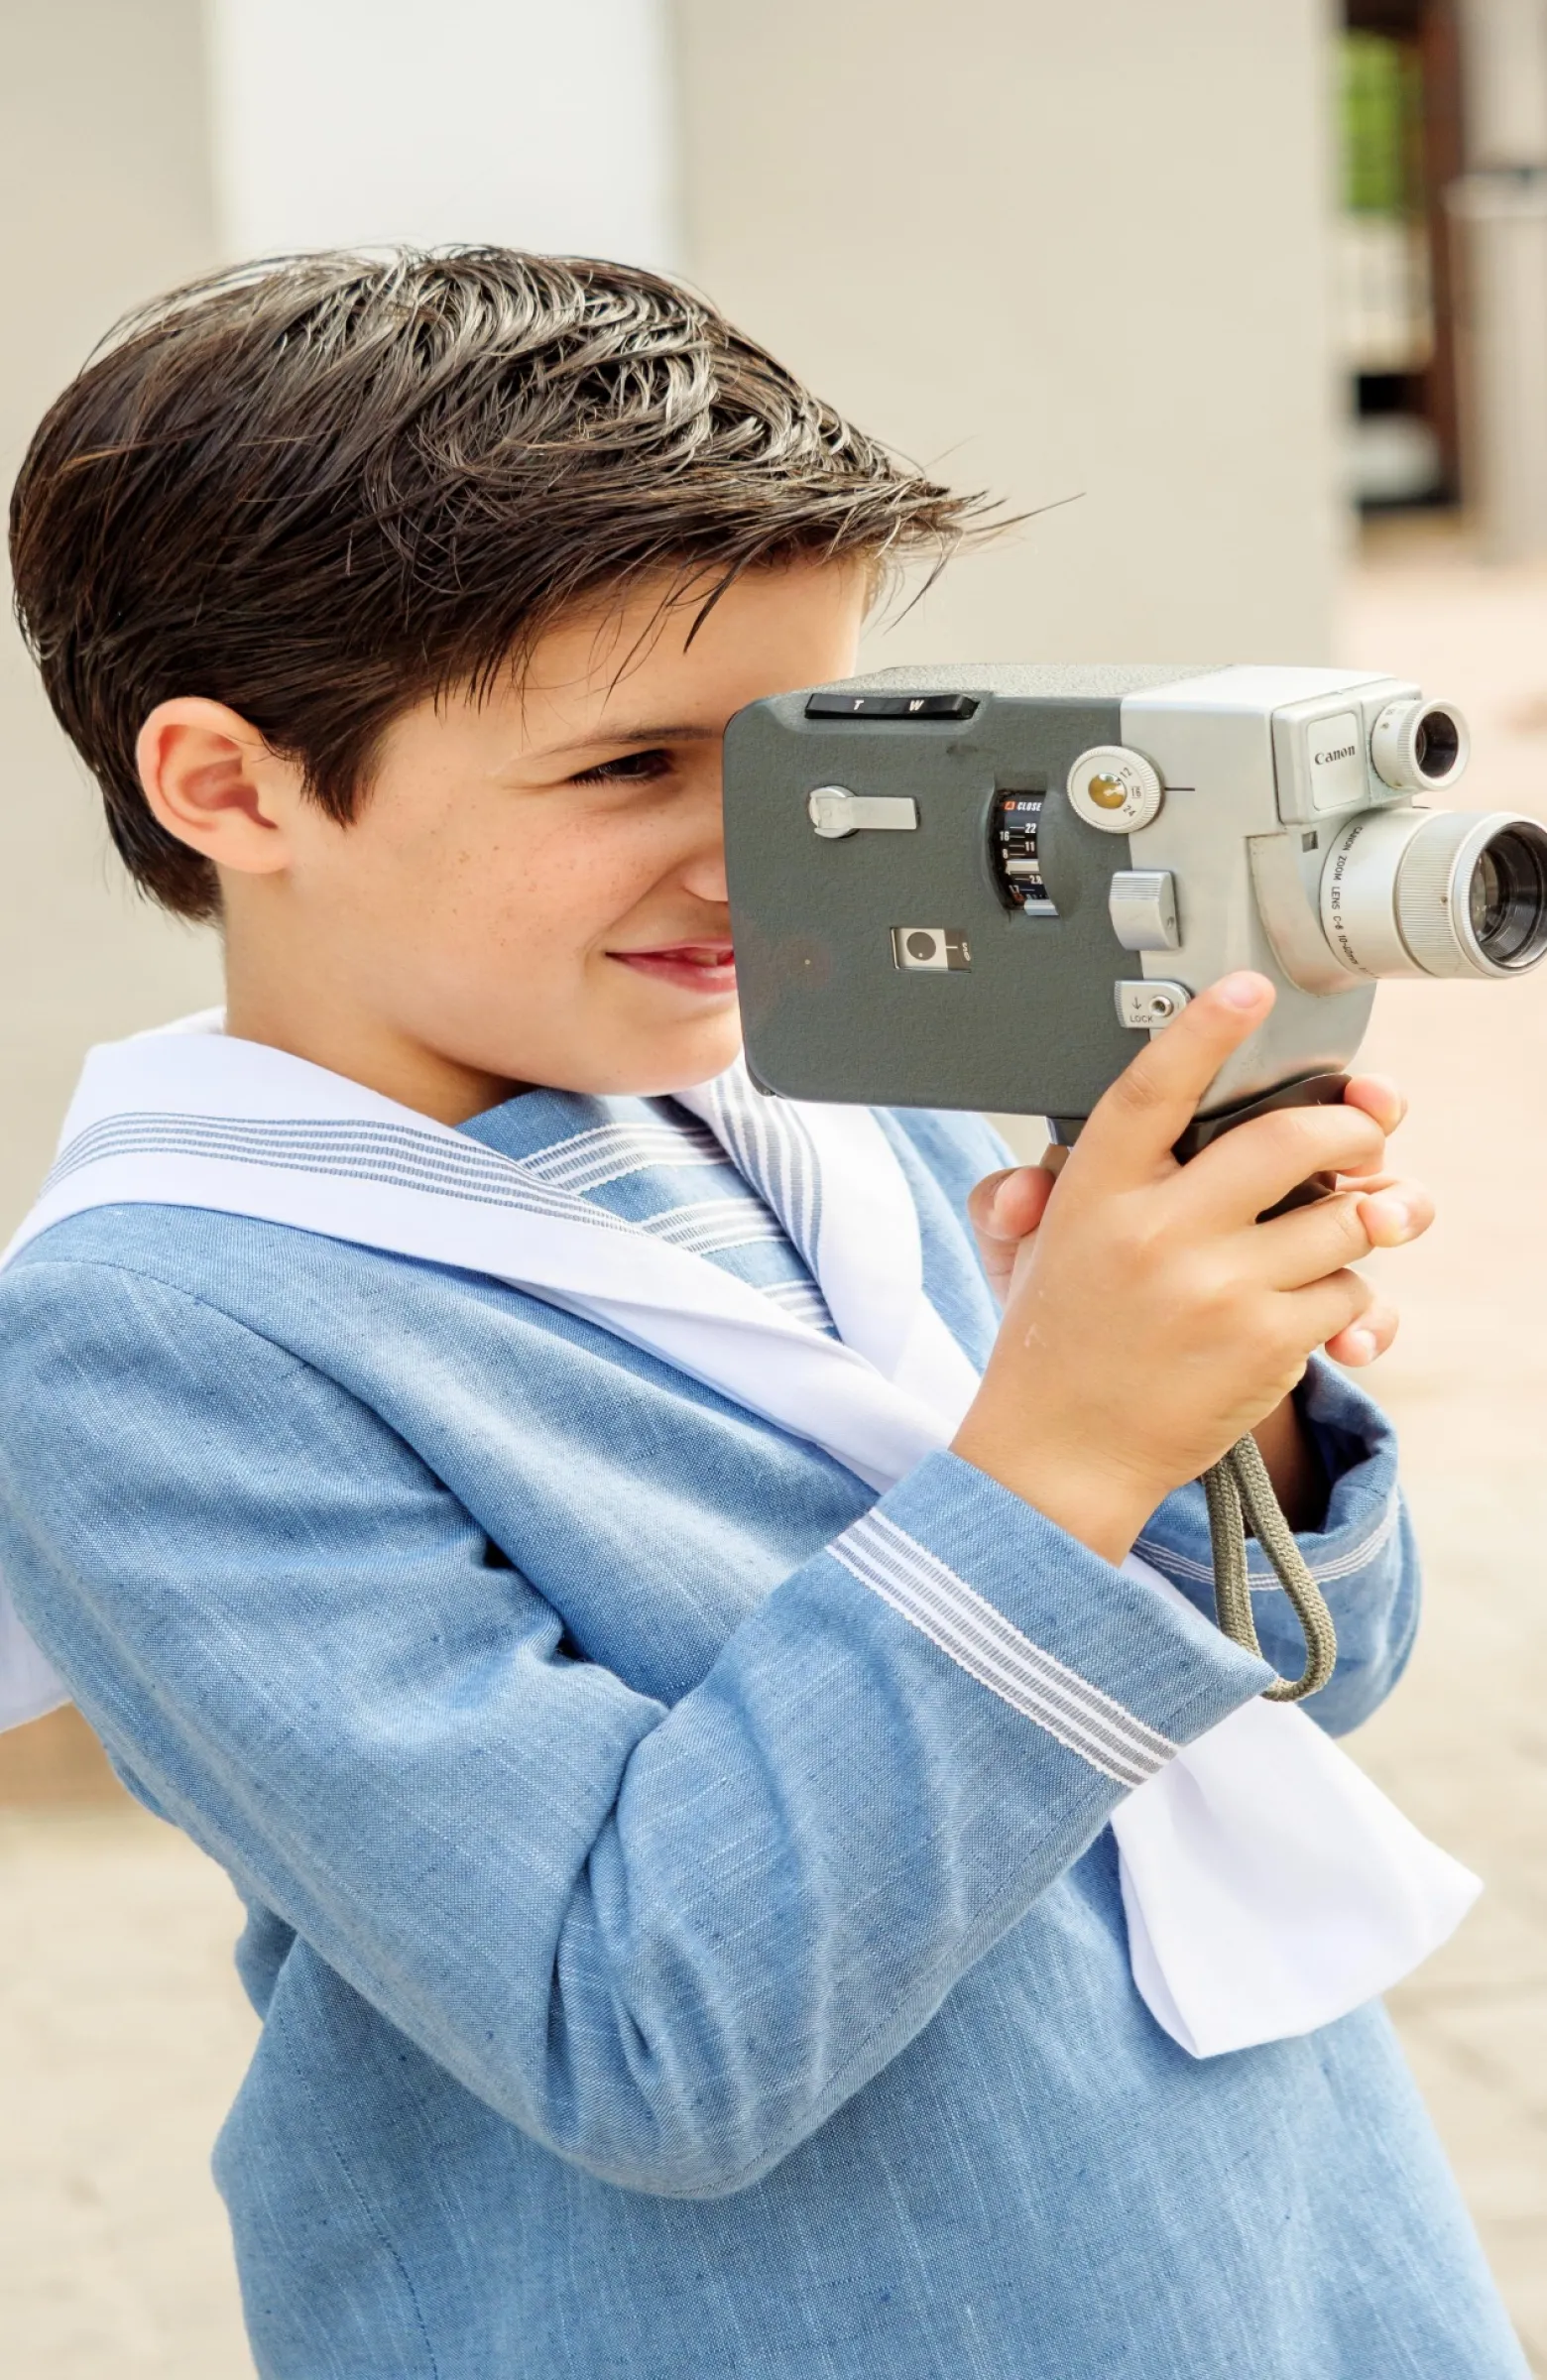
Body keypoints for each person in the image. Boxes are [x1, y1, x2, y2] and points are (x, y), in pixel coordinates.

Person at [0, 249, 1524, 2379]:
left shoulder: (803, 1098)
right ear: (233, 788)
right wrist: (1051, 1451)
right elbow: (640, 2035)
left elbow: (1297, 1686)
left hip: (1271, 2262)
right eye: (628, 769)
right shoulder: (160, 1331)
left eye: (791, 756)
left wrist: (1222, 1402)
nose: (754, 859)